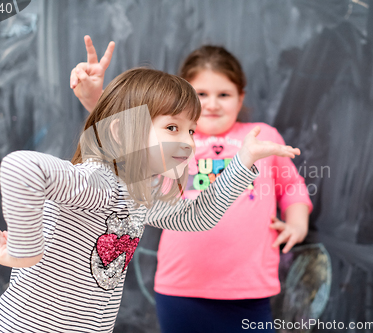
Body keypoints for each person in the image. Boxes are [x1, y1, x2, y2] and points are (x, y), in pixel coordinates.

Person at [0, 65, 301, 333]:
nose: (187, 142)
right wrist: (26, 252)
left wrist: (243, 162)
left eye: (190, 131)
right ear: (121, 132)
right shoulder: (98, 181)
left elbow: (196, 217)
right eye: (173, 127)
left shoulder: (139, 192)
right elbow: (20, 167)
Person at [70, 37, 312, 332]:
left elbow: (291, 187)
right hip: (181, 285)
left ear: (241, 97)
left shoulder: (262, 137)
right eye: (201, 93)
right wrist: (95, 102)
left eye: (223, 94)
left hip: (249, 285)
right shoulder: (167, 139)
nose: (211, 103)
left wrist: (297, 224)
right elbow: (123, 148)